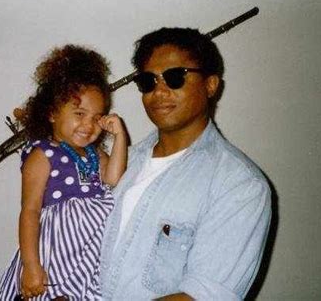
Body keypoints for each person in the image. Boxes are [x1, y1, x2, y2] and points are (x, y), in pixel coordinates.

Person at [99, 28, 271, 300]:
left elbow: (205, 295)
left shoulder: (239, 185)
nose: (159, 91)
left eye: (174, 76)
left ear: (210, 85)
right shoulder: (124, 162)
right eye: (148, 81)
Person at [0, 45, 127, 300]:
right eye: (79, 114)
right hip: (56, 248)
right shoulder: (43, 154)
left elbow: (115, 179)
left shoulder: (93, 153)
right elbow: (30, 211)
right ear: (53, 113)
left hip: (90, 250)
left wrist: (120, 136)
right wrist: (31, 266)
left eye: (96, 118)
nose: (88, 125)